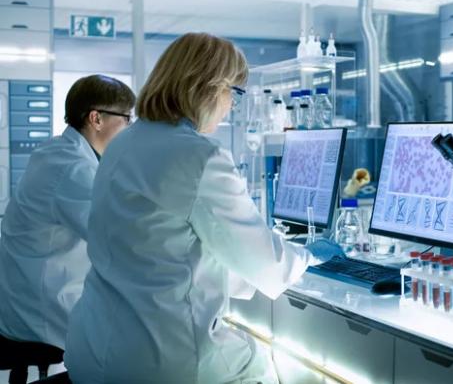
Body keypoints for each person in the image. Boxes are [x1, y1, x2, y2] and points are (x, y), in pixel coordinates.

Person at [64, 33, 342, 384]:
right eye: (234, 94)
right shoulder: (199, 156)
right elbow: (267, 265)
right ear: (210, 88)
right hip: (156, 361)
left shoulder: (123, 143)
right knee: (274, 368)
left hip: (92, 349)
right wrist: (308, 255)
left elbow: (162, 246)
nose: (231, 107)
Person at [0, 75, 135, 350]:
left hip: (24, 298)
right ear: (96, 119)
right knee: (136, 343)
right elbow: (115, 238)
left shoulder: (57, 151)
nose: (130, 128)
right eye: (126, 119)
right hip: (42, 313)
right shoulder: (72, 168)